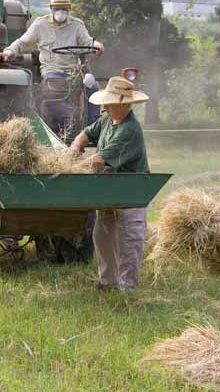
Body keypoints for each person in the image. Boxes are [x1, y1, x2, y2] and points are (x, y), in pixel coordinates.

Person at [70, 76, 150, 290]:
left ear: (123, 105)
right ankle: (107, 283)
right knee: (103, 236)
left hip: (130, 194)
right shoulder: (108, 119)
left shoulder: (129, 130)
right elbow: (87, 133)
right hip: (108, 191)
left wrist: (70, 168)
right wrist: (75, 146)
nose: (104, 107)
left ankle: (128, 288)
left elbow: (99, 159)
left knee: (129, 240)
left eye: (109, 103)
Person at [0, 0, 105, 134]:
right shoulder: (40, 24)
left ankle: (91, 129)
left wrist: (97, 45)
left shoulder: (77, 25)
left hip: (74, 71)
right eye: (57, 8)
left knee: (93, 87)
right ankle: (66, 128)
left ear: (69, 9)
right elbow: (22, 43)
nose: (60, 11)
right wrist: (7, 53)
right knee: (53, 92)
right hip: (52, 72)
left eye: (64, 8)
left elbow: (88, 42)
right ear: (51, 8)